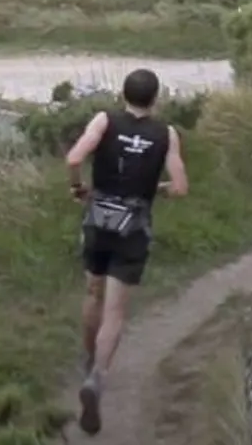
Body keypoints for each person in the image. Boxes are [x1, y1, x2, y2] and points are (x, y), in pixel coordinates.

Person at [65, 67, 190, 435]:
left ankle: (89, 361)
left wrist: (78, 189)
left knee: (93, 291)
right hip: (133, 226)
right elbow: (181, 187)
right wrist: (157, 190)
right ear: (155, 98)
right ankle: (97, 378)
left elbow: (74, 159)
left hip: (98, 219)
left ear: (123, 94)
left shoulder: (105, 120)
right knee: (115, 311)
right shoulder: (166, 134)